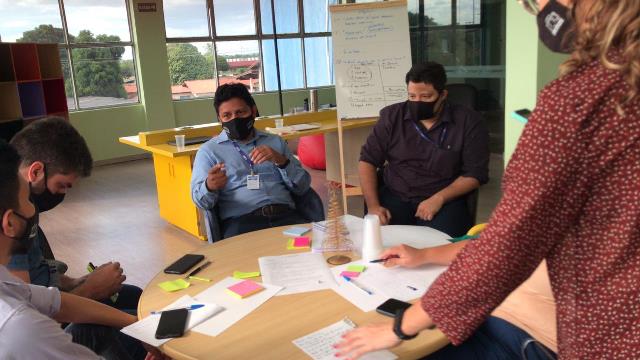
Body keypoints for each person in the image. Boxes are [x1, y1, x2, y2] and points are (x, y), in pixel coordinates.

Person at [336, 0, 640, 358]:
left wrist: (400, 327)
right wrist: (421, 250)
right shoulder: (614, 94)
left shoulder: (583, 101)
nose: (539, 8)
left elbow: (508, 243)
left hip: (594, 335)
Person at [0, 140, 165, 359]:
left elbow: (55, 302)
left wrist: (137, 324)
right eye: (26, 201)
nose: (33, 209)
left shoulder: (5, 284)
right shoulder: (23, 329)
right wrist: (93, 288)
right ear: (10, 223)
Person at [8, 117, 141, 312]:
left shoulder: (26, 204)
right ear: (35, 171)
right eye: (61, 185)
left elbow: (37, 271)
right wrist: (90, 290)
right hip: (40, 323)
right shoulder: (12, 223)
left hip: (51, 299)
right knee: (135, 326)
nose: (63, 194)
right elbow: (26, 315)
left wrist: (78, 282)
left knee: (134, 297)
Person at [359, 62, 489, 237]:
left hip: (444, 198)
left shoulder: (469, 122)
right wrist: (373, 206)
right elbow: (367, 160)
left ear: (443, 94)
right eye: (412, 96)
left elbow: (475, 173)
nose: (418, 102)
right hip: (397, 194)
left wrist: (439, 198)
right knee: (380, 241)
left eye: (426, 97)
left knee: (442, 245)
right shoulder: (392, 116)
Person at [374, 242, 558, 359]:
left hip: (519, 344)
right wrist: (424, 255)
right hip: (483, 321)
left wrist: (400, 328)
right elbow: (491, 244)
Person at [191, 83, 312, 238]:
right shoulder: (208, 151)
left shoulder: (275, 142)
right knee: (248, 261)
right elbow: (201, 202)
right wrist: (209, 186)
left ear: (253, 111)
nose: (235, 119)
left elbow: (302, 187)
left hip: (286, 218)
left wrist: (282, 161)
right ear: (219, 119)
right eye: (227, 116)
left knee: (309, 252)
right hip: (242, 223)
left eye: (240, 112)